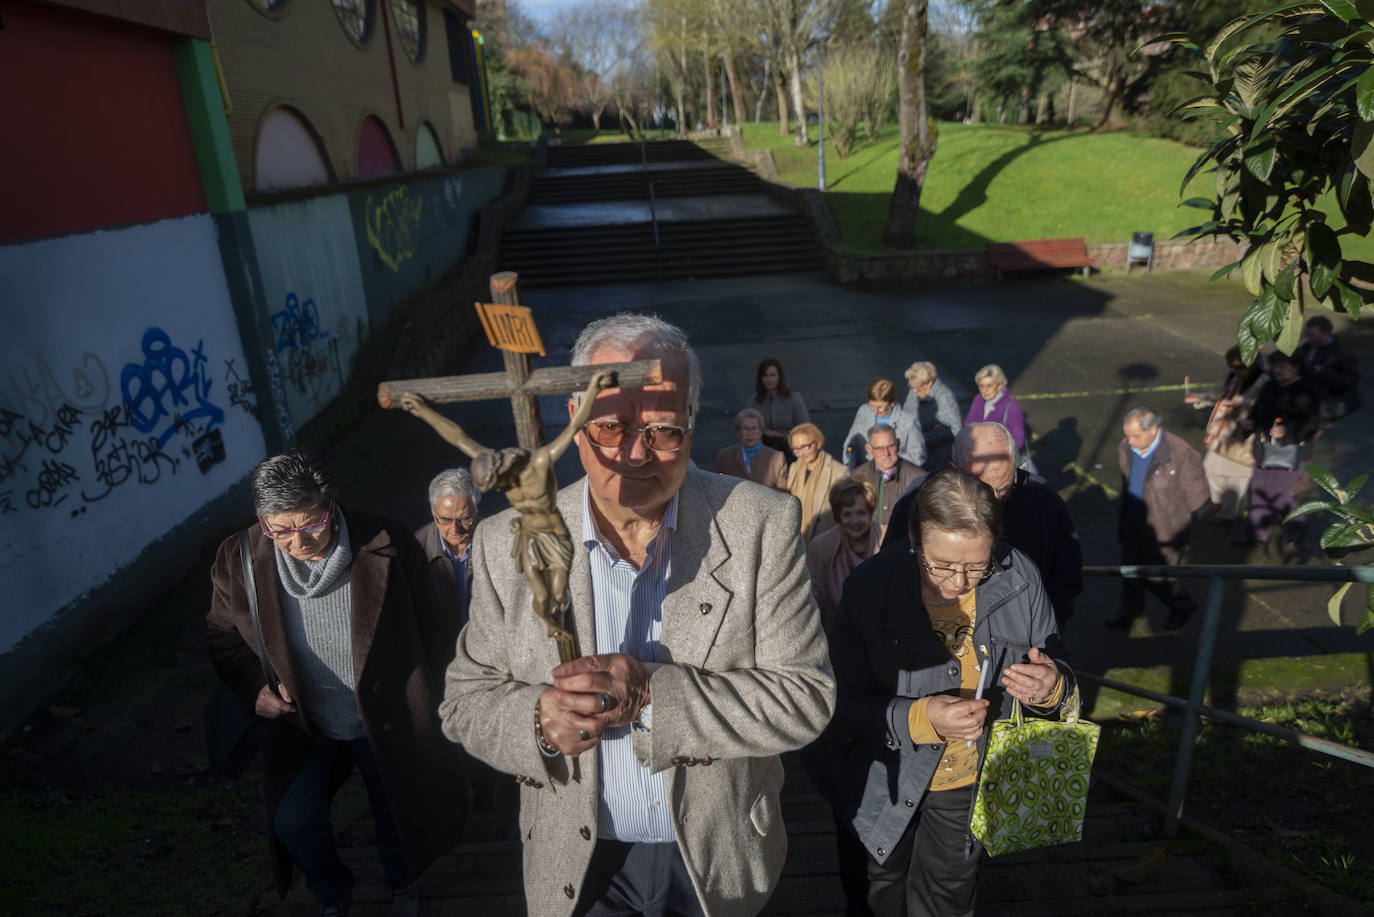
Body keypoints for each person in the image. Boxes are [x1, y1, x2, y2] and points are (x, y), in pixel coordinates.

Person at [439, 313, 836, 917]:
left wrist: (651, 694)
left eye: (662, 431)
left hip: (713, 861)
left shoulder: (762, 526)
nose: (632, 455)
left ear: (693, 426)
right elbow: (464, 701)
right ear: (574, 424)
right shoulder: (505, 543)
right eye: (609, 427)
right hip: (580, 866)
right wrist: (537, 722)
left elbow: (805, 699)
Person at [206, 452, 465, 917]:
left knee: (397, 809)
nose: (297, 541)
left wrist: (438, 696)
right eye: (279, 530)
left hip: (389, 714)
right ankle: (332, 891)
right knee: (293, 821)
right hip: (302, 722)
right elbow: (221, 634)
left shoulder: (387, 542)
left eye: (310, 524)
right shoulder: (237, 557)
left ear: (331, 505)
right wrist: (253, 691)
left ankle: (402, 882)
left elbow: (434, 626)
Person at [819, 469, 1070, 917]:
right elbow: (835, 704)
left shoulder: (1020, 577)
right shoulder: (869, 590)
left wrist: (1052, 688)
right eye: (942, 565)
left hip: (969, 784)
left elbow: (1060, 669)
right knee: (877, 897)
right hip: (880, 780)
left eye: (978, 564)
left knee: (947, 904)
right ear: (913, 536)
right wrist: (921, 718)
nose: (959, 582)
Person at [882, 423, 1083, 642]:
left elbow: (1066, 575)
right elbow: (892, 570)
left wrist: (1047, 635)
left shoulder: (1042, 499)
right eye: (984, 488)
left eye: (1006, 488)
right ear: (955, 470)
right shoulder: (920, 499)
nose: (995, 500)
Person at [1110, 407, 1210, 631]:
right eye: (1127, 435)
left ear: (1153, 430)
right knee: (1130, 570)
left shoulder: (1182, 454)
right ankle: (1131, 609)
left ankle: (1182, 605)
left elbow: (1199, 500)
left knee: (1159, 575)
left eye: (1136, 436)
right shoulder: (1126, 447)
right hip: (1132, 521)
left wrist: (1179, 530)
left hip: (1165, 530)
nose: (1130, 441)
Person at [1239, 351, 1321, 550]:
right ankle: (1256, 533)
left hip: (1292, 452)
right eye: (1275, 366)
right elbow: (1258, 410)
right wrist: (1251, 423)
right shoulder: (1270, 386)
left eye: (1282, 367)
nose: (1276, 371)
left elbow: (1312, 424)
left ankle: (1296, 525)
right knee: (1257, 489)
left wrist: (1288, 431)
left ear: (1296, 368)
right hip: (1265, 448)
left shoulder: (1307, 391)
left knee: (1278, 492)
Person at [1184, 347, 1266, 523]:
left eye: (1239, 367)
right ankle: (1218, 503)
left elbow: (1268, 407)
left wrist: (1245, 403)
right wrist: (1199, 398)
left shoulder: (1264, 383)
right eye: (1232, 367)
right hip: (1224, 432)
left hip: (1245, 436)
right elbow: (1220, 394)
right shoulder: (1234, 378)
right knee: (1210, 470)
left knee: (1236, 476)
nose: (1235, 371)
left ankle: (1227, 513)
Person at [806, 478, 880, 632]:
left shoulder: (886, 539)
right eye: (847, 514)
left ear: (871, 512)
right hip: (837, 633)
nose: (855, 521)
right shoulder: (820, 546)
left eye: (861, 513)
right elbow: (813, 593)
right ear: (838, 516)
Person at [415, 468, 481, 628]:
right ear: (433, 510)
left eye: (464, 519)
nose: (454, 529)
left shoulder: (495, 542)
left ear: (476, 508)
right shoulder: (415, 549)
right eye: (444, 519)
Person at [850, 424, 922, 542]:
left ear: (898, 444)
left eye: (890, 446)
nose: (886, 453)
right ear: (869, 450)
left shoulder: (918, 478)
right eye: (879, 448)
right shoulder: (856, 478)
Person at [1292, 315, 1362, 430]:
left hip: (1326, 407)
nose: (1309, 339)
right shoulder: (1306, 348)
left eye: (1313, 336)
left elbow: (1350, 381)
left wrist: (1324, 372)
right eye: (1308, 335)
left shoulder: (1342, 354)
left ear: (1326, 333)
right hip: (1304, 401)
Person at [786, 421, 850, 546]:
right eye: (796, 449)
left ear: (818, 443)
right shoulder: (794, 468)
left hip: (825, 541)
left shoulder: (839, 471)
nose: (801, 453)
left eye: (806, 446)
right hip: (797, 537)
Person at [843, 378, 925, 469]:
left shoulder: (908, 421)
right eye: (872, 406)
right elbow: (850, 444)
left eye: (880, 407)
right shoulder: (864, 411)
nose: (875, 411)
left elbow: (918, 457)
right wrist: (850, 468)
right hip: (863, 472)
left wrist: (890, 461)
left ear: (892, 403)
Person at [901, 362, 961, 470]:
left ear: (929, 383)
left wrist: (920, 438)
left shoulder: (944, 396)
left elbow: (953, 430)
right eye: (911, 386)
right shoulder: (915, 391)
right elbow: (906, 417)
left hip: (940, 455)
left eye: (917, 388)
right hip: (917, 449)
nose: (914, 391)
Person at [714, 407, 787, 490]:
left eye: (754, 428)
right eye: (745, 429)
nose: (750, 433)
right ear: (738, 432)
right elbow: (717, 488)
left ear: (761, 431)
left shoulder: (777, 458)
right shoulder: (724, 457)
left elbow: (783, 493)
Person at [752, 357, 810, 457]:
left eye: (773, 375)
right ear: (760, 378)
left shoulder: (793, 398)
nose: (769, 379)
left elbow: (805, 428)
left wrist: (781, 435)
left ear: (780, 376)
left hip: (790, 448)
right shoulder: (755, 400)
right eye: (765, 376)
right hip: (762, 448)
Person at [962, 364, 1026, 451]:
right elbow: (969, 423)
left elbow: (1018, 441)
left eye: (989, 386)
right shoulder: (979, 399)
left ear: (999, 386)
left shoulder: (1012, 409)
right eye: (981, 386)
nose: (984, 390)